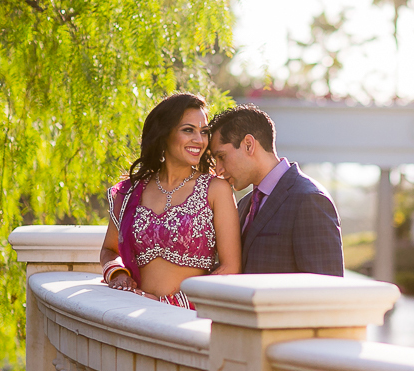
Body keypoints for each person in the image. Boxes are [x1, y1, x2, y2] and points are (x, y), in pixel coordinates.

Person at [100, 93, 241, 308]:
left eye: (204, 132)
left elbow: (230, 270)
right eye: (188, 130)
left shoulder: (216, 189)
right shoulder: (132, 192)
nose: (199, 140)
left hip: (186, 321)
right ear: (164, 133)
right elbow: (109, 250)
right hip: (133, 313)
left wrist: (165, 303)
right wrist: (118, 274)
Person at [208, 104, 344, 277]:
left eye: (221, 157)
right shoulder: (243, 205)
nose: (218, 170)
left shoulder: (309, 200)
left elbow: (327, 290)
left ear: (248, 145)